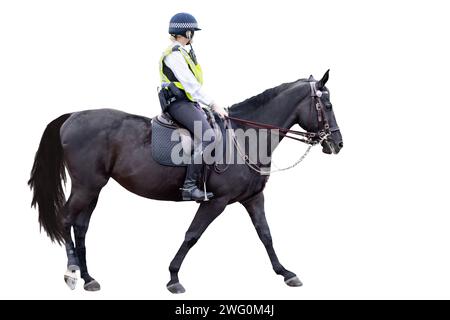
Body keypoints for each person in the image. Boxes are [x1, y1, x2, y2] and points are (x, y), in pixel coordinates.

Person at [159, 12, 227, 201]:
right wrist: (213, 104)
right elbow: (191, 86)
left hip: (187, 102)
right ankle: (189, 186)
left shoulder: (183, 53)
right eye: (192, 32)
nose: (193, 36)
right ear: (187, 33)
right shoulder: (174, 55)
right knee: (208, 137)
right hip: (179, 103)